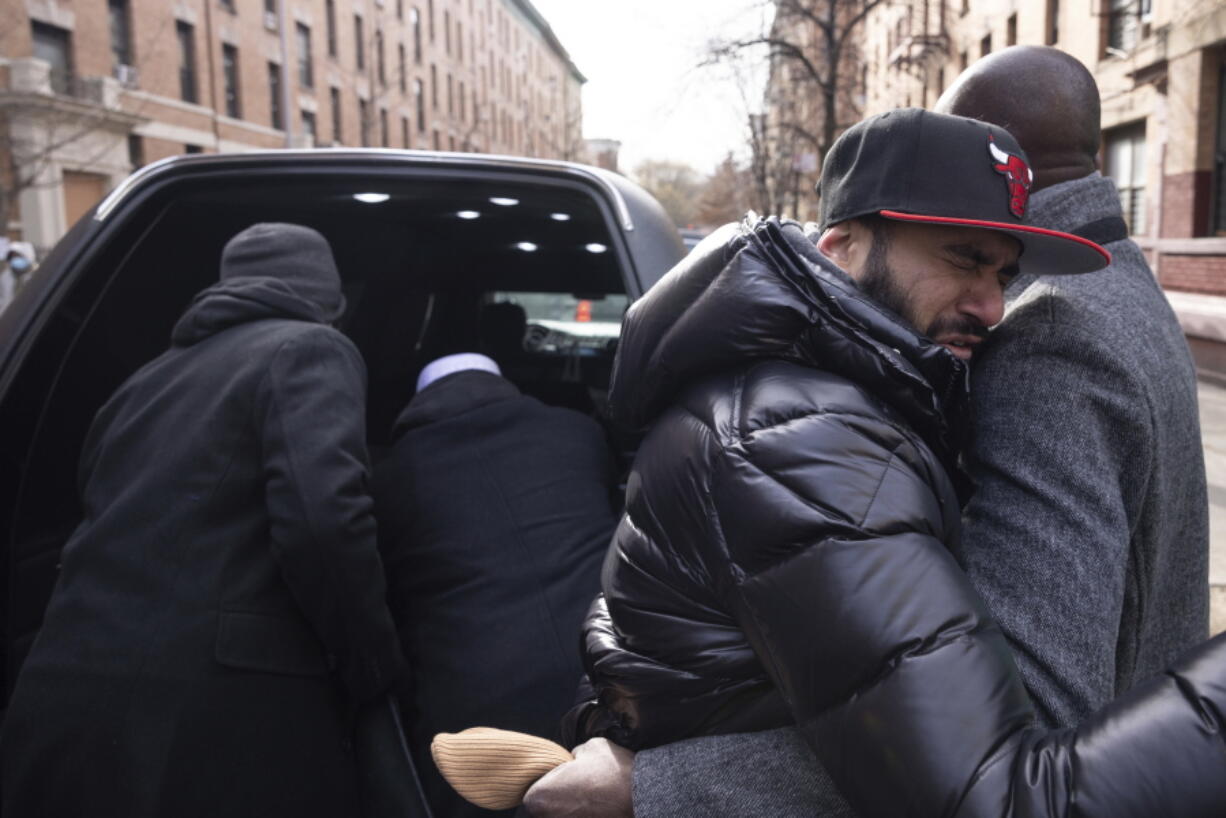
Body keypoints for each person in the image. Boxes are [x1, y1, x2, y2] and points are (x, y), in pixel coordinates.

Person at [528, 50, 1214, 818]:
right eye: (964, 258)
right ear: (840, 248)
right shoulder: (805, 434)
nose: (992, 306)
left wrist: (646, 781)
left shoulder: (889, 392)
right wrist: (654, 787)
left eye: (1003, 272)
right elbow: (995, 773)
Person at [0, 223, 406, 818]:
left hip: (57, 706)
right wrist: (375, 667)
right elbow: (325, 525)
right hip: (200, 729)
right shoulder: (310, 348)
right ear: (331, 301)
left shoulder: (141, 382)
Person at [372, 337, 619, 817]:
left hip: (479, 728)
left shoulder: (388, 479)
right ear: (501, 384)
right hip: (607, 677)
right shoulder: (577, 431)